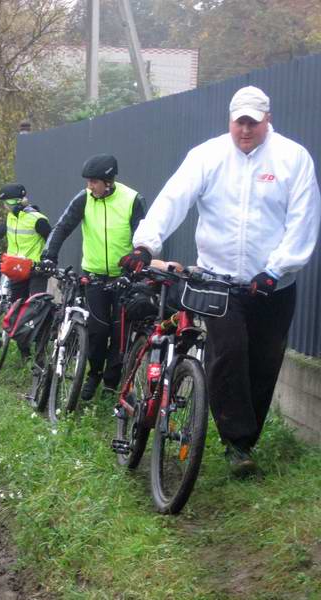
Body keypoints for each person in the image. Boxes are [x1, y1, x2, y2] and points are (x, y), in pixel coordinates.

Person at [122, 85, 321, 476]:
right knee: (228, 351)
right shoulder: (207, 156)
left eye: (253, 122)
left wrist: (276, 269)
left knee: (264, 363)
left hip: (272, 285)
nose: (245, 130)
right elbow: (172, 198)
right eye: (239, 122)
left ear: (268, 121)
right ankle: (236, 441)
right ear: (230, 120)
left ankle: (244, 442)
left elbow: (303, 219)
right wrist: (146, 244)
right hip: (219, 281)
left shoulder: (292, 159)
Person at [41, 154, 146, 401]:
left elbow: (143, 239)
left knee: (121, 335)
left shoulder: (132, 200)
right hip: (95, 275)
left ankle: (111, 383)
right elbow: (62, 226)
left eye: (94, 182)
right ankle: (94, 374)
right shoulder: (84, 198)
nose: (89, 186)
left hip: (124, 277)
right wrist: (49, 255)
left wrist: (133, 271)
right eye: (88, 182)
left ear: (108, 181)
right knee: (98, 331)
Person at [0, 183, 51, 358]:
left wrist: (47, 259)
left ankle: (41, 351)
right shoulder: (11, 217)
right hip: (16, 270)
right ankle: (24, 353)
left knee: (36, 308)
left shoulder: (38, 219)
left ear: (15, 203)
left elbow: (52, 238)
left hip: (36, 271)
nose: (4, 207)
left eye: (6, 203)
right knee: (17, 307)